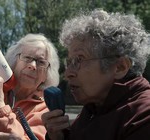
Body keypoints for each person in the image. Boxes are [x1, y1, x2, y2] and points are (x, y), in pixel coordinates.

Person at [41, 9, 150, 140]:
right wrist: (59, 137)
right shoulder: (94, 107)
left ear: (120, 67)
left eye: (79, 60)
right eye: (69, 62)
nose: (68, 73)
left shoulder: (143, 117)